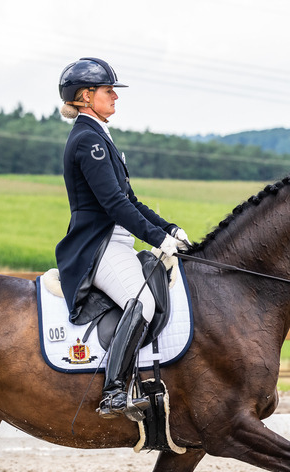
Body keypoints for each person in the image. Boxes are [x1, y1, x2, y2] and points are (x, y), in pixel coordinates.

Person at [55, 57, 190, 419]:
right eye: (108, 90)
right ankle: (113, 392)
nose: (115, 96)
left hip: (115, 242)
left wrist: (168, 229)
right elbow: (114, 205)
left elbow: (130, 200)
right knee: (142, 301)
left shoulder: (100, 135)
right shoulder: (88, 141)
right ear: (85, 96)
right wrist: (158, 241)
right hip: (97, 247)